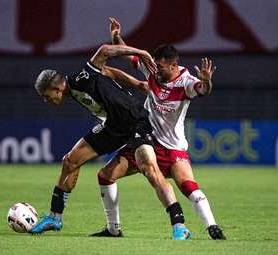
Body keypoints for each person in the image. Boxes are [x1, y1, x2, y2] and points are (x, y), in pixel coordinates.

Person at [30, 43, 193, 240]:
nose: (47, 101)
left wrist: (141, 51)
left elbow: (105, 51)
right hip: (113, 125)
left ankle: (179, 225)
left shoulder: (82, 77)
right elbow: (108, 71)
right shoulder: (74, 90)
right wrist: (137, 83)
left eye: (46, 96)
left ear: (55, 88)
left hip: (134, 121)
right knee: (70, 161)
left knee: (150, 170)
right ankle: (56, 217)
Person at [91, 18, 226, 240]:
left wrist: (207, 81)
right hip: (146, 140)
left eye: (161, 66)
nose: (156, 70)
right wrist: (116, 38)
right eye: (155, 64)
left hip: (173, 148)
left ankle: (212, 227)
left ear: (173, 65)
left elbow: (203, 90)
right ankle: (113, 229)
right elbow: (130, 56)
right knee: (105, 175)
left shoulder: (186, 82)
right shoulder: (154, 69)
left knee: (188, 186)